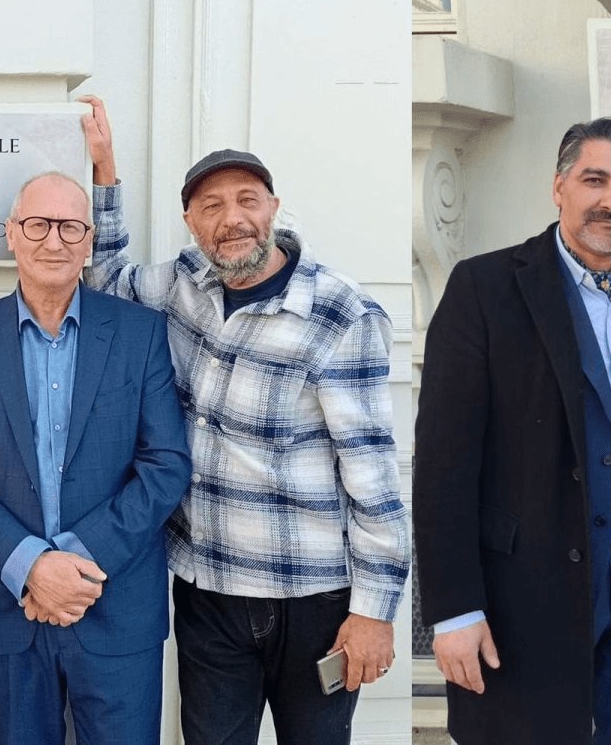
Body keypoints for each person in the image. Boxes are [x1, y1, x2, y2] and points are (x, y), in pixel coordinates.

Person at [79, 96, 409, 744]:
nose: (233, 219)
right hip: (209, 592)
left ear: (273, 208)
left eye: (247, 199)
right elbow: (103, 283)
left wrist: (374, 614)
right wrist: (104, 173)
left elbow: (374, 480)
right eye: (212, 206)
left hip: (315, 603)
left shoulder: (341, 314)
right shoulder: (183, 284)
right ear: (192, 223)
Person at [414, 117, 611, 744]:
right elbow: (443, 463)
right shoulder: (484, 288)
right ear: (559, 187)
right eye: (594, 179)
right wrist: (453, 610)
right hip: (525, 587)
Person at [0, 169, 192, 744]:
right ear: (11, 233)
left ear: (90, 240)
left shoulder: (141, 335)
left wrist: (76, 561)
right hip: (3, 606)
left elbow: (165, 463)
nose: (54, 241)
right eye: (38, 224)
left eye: (71, 227)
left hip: (114, 601)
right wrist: (31, 566)